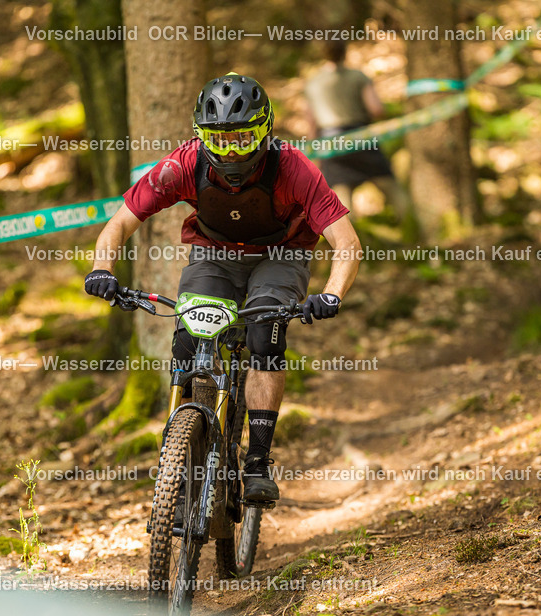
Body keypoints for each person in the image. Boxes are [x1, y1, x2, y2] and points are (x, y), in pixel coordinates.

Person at [83, 73, 362, 503]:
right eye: (219, 139)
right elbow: (119, 222)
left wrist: (331, 295)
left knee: (264, 340)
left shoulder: (293, 167)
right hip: (215, 253)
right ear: (200, 136)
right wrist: (102, 270)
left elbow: (347, 243)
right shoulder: (184, 164)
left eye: (243, 138)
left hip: (280, 255)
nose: (230, 150)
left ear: (265, 131)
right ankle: (179, 456)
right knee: (187, 341)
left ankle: (257, 462)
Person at [304, 40, 406, 220]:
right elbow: (376, 109)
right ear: (345, 52)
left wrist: (316, 152)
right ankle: (415, 229)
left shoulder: (313, 83)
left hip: (330, 142)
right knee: (388, 185)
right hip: (361, 136)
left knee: (341, 195)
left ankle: (351, 244)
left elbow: (312, 124)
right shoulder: (358, 77)